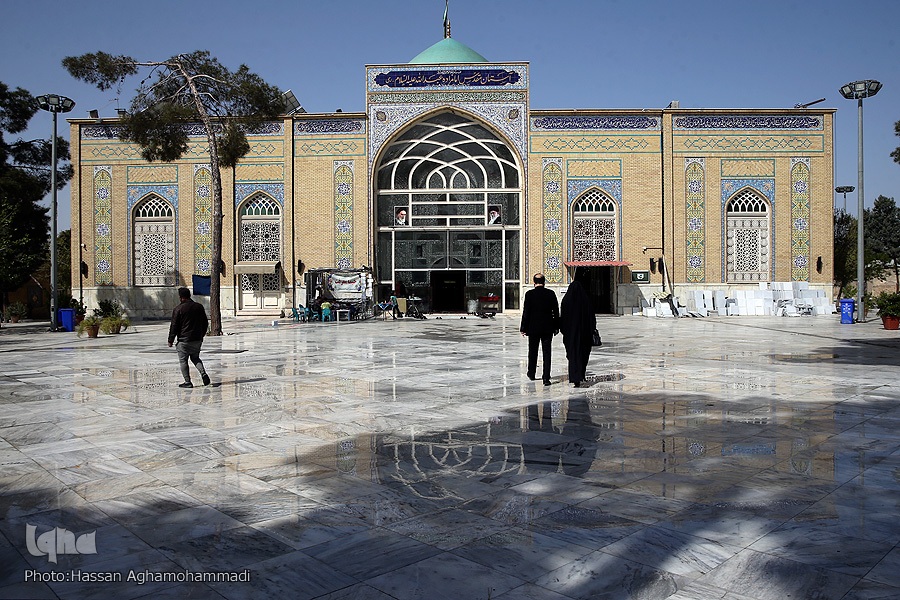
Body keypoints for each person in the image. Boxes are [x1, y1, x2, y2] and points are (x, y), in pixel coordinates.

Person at [520, 273, 559, 386]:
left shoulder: (529, 294)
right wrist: (556, 326)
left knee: (533, 351)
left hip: (533, 328)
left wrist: (523, 327)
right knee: (547, 353)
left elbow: (526, 312)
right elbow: (556, 311)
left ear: (534, 282)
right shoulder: (550, 294)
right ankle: (546, 377)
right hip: (547, 328)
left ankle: (531, 373)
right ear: (544, 282)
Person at [168, 287, 210, 388]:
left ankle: (187, 382)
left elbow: (174, 326)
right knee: (195, 358)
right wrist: (201, 334)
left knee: (183, 361)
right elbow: (205, 322)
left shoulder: (178, 309)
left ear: (181, 297)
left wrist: (170, 340)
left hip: (184, 340)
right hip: (197, 339)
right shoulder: (199, 307)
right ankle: (203, 373)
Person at [560, 279, 596, 388]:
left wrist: (564, 331)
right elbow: (592, 318)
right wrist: (591, 329)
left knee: (572, 355)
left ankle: (575, 377)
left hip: (570, 335)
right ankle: (581, 374)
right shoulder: (586, 301)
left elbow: (563, 319)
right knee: (583, 355)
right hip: (585, 334)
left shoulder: (566, 301)